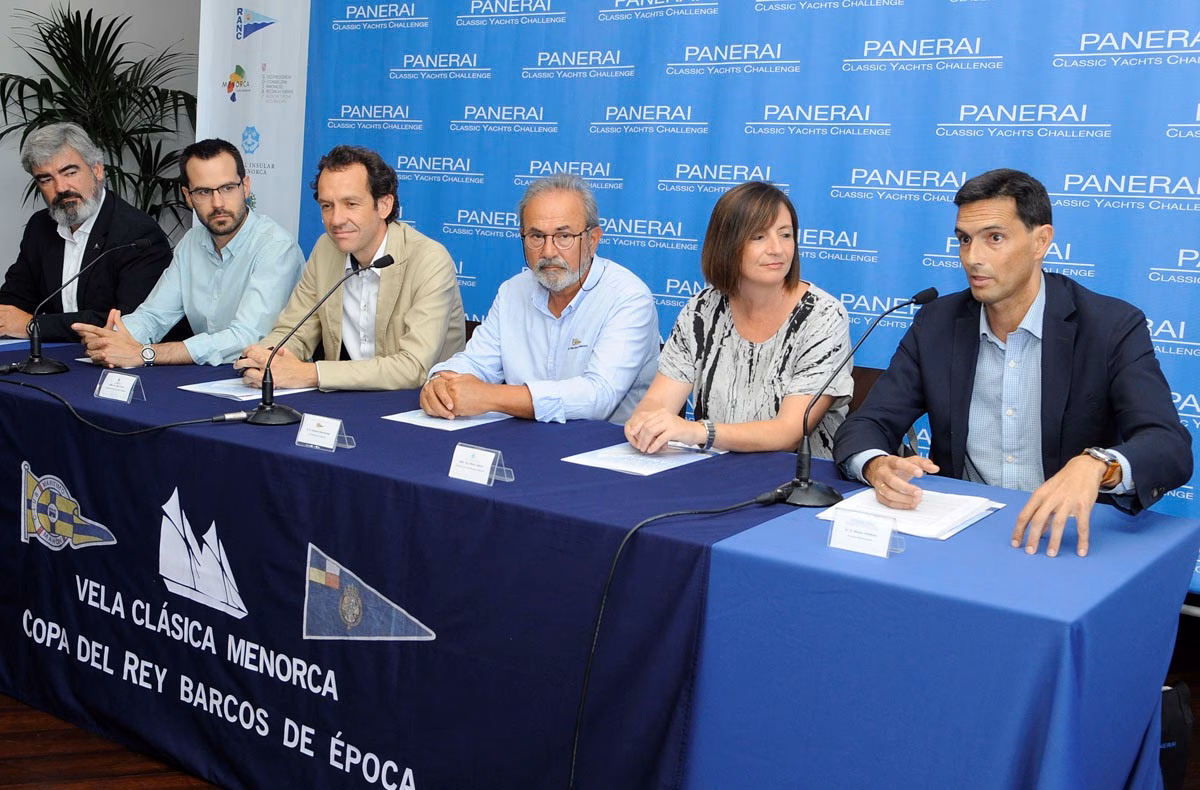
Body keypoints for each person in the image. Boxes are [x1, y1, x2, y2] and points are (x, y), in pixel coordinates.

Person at [833, 168, 1192, 557]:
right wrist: (875, 465)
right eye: (964, 240)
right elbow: (869, 423)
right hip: (960, 535)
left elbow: (1169, 444)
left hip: (1067, 541)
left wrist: (1097, 465)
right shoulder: (936, 323)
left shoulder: (1110, 326)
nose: (973, 257)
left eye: (995, 238)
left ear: (1041, 241)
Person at [624, 181, 852, 456]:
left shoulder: (823, 316)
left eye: (785, 234)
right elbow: (658, 401)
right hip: (713, 469)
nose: (777, 249)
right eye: (758, 237)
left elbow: (789, 431)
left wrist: (699, 431)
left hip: (800, 481)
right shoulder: (702, 309)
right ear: (726, 244)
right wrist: (645, 423)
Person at [419, 173, 658, 423]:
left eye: (564, 236)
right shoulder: (512, 291)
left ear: (592, 240)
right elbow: (475, 362)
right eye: (536, 236)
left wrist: (490, 396)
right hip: (523, 441)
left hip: (606, 449)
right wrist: (441, 383)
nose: (548, 251)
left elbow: (598, 397)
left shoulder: (628, 297)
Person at [234, 145, 465, 391]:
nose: (336, 220)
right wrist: (266, 359)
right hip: (346, 402)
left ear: (384, 205)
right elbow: (295, 331)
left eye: (351, 204)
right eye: (327, 206)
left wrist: (311, 373)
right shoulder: (326, 249)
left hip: (417, 407)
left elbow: (413, 368)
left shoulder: (429, 260)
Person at [74, 138, 306, 367]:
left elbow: (246, 338)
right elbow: (153, 316)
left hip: (268, 381)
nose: (217, 203)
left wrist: (146, 353)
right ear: (187, 196)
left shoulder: (276, 247)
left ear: (245, 186)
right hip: (208, 380)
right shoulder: (192, 243)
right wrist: (112, 338)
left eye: (227, 188)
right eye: (203, 192)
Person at [0, 122, 172, 341]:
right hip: (55, 361)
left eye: (70, 172)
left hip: (119, 365)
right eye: (46, 179)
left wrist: (33, 325)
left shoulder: (137, 234)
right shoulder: (41, 227)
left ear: (97, 170)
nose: (61, 188)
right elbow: (15, 298)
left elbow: (129, 322)